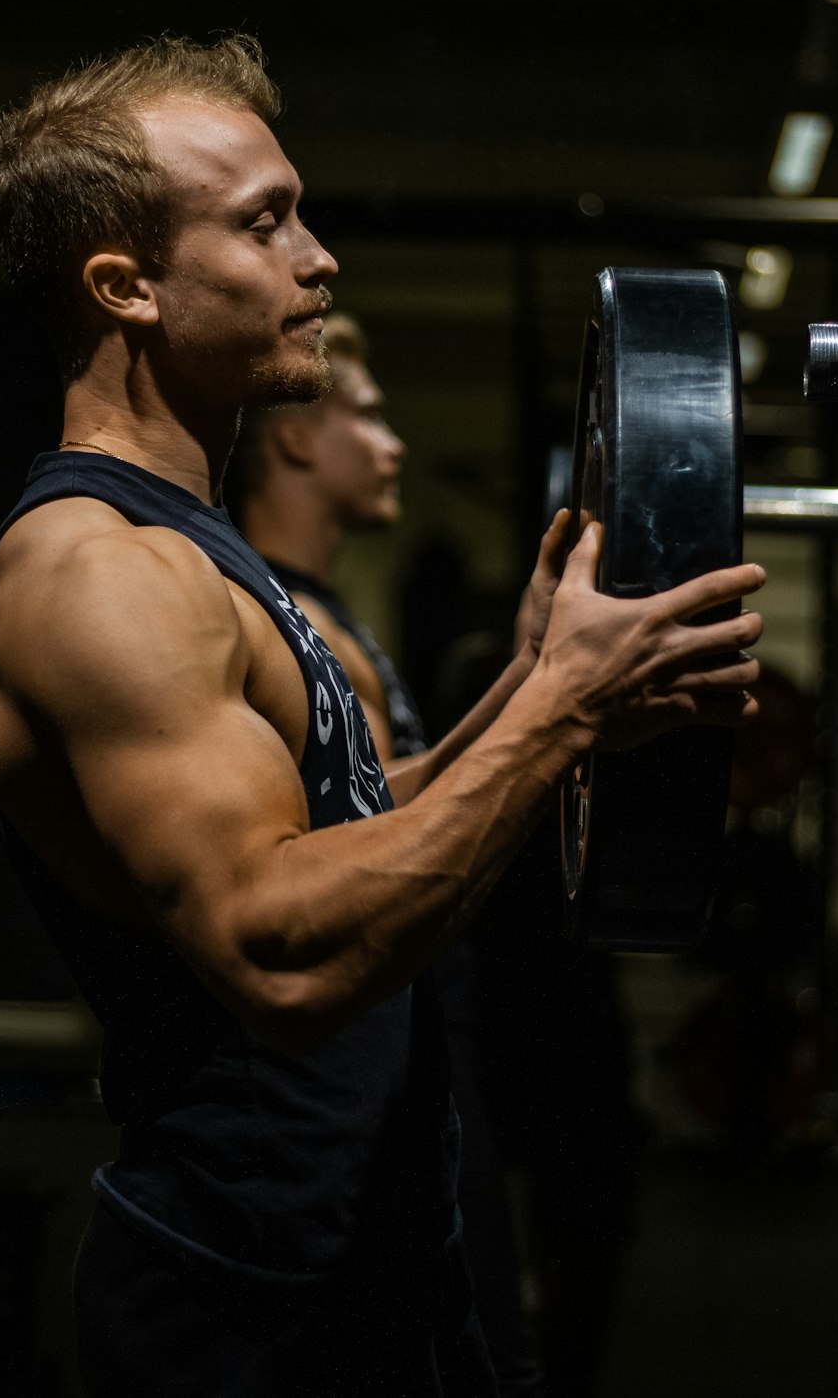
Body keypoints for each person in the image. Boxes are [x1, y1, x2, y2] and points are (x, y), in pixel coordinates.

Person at [0, 34, 765, 1397]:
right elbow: (278, 953)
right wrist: (560, 711)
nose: (319, 255)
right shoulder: (102, 578)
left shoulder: (202, 556)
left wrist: (530, 686)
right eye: (265, 223)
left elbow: (335, 824)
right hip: (245, 1304)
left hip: (367, 1262)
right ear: (125, 285)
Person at [227, 312, 549, 1395]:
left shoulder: (333, 620)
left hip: (425, 1048)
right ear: (296, 440)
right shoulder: (291, 629)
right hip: (370, 1069)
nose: (397, 443)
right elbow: (361, 856)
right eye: (368, 417)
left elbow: (392, 798)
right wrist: (555, 708)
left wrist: (539, 679)